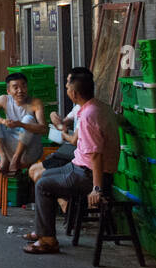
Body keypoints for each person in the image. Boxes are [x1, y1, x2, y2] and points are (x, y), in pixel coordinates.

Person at [22, 69, 120, 255]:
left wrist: (97, 188)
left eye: (67, 87)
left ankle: (48, 240)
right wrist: (61, 128)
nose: (66, 89)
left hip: (87, 174)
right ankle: (43, 231)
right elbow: (78, 141)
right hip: (78, 166)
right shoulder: (96, 107)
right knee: (43, 176)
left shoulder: (89, 115)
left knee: (43, 185)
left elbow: (96, 155)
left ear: (74, 93)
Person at [0, 72, 51, 173]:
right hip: (10, 148)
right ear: (8, 91)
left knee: (28, 119)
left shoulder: (35, 103)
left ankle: (15, 159)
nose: (20, 91)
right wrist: (2, 121)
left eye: (23, 86)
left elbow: (44, 129)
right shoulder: (4, 99)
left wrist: (21, 124)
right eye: (15, 87)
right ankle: (3, 158)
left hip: (29, 150)